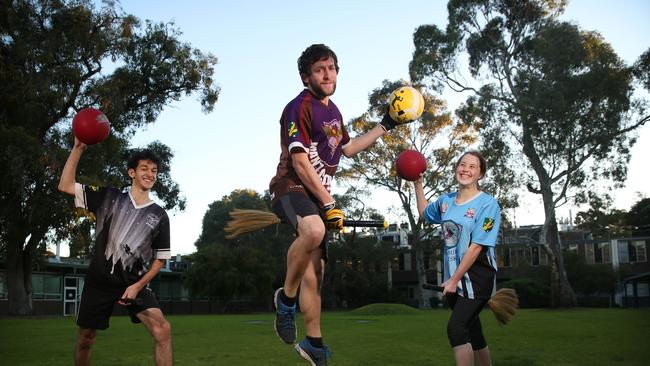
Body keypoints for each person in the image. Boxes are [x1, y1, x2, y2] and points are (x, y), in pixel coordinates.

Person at [269, 43, 406, 365]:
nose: (327, 73)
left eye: (331, 67)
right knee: (314, 231)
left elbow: (347, 149)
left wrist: (385, 124)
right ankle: (285, 301)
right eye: (319, 69)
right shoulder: (297, 107)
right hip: (291, 187)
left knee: (315, 272)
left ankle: (314, 343)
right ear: (306, 78)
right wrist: (329, 203)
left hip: (318, 196)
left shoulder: (334, 112)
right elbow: (300, 162)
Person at [58, 138, 173, 366]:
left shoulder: (160, 215)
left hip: (134, 283)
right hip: (99, 282)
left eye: (154, 170)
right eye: (144, 168)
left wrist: (138, 286)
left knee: (162, 330)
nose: (150, 173)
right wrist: (78, 149)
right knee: (85, 339)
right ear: (131, 172)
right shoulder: (108, 197)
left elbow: (160, 260)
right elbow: (65, 185)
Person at [415, 151, 501, 366]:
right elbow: (425, 214)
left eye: (473, 167)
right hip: (452, 279)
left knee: (456, 329)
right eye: (463, 164)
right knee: (474, 331)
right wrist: (417, 184)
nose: (466, 169)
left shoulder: (488, 205)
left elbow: (476, 247)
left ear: (480, 174)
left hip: (477, 277)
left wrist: (454, 279)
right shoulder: (446, 202)